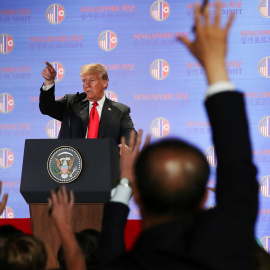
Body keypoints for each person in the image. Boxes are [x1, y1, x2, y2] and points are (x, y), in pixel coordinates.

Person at [99, 2, 258, 270]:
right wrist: (215, 65)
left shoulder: (117, 265)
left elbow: (111, 235)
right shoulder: (231, 249)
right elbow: (238, 165)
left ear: (136, 196)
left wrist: (124, 178)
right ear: (204, 199)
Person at [39, 62, 136, 150]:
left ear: (104, 82)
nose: (87, 85)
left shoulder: (120, 110)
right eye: (84, 81)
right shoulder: (71, 102)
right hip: (72, 164)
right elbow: (46, 107)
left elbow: (130, 133)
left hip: (103, 163)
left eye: (92, 80)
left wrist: (125, 145)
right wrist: (49, 81)